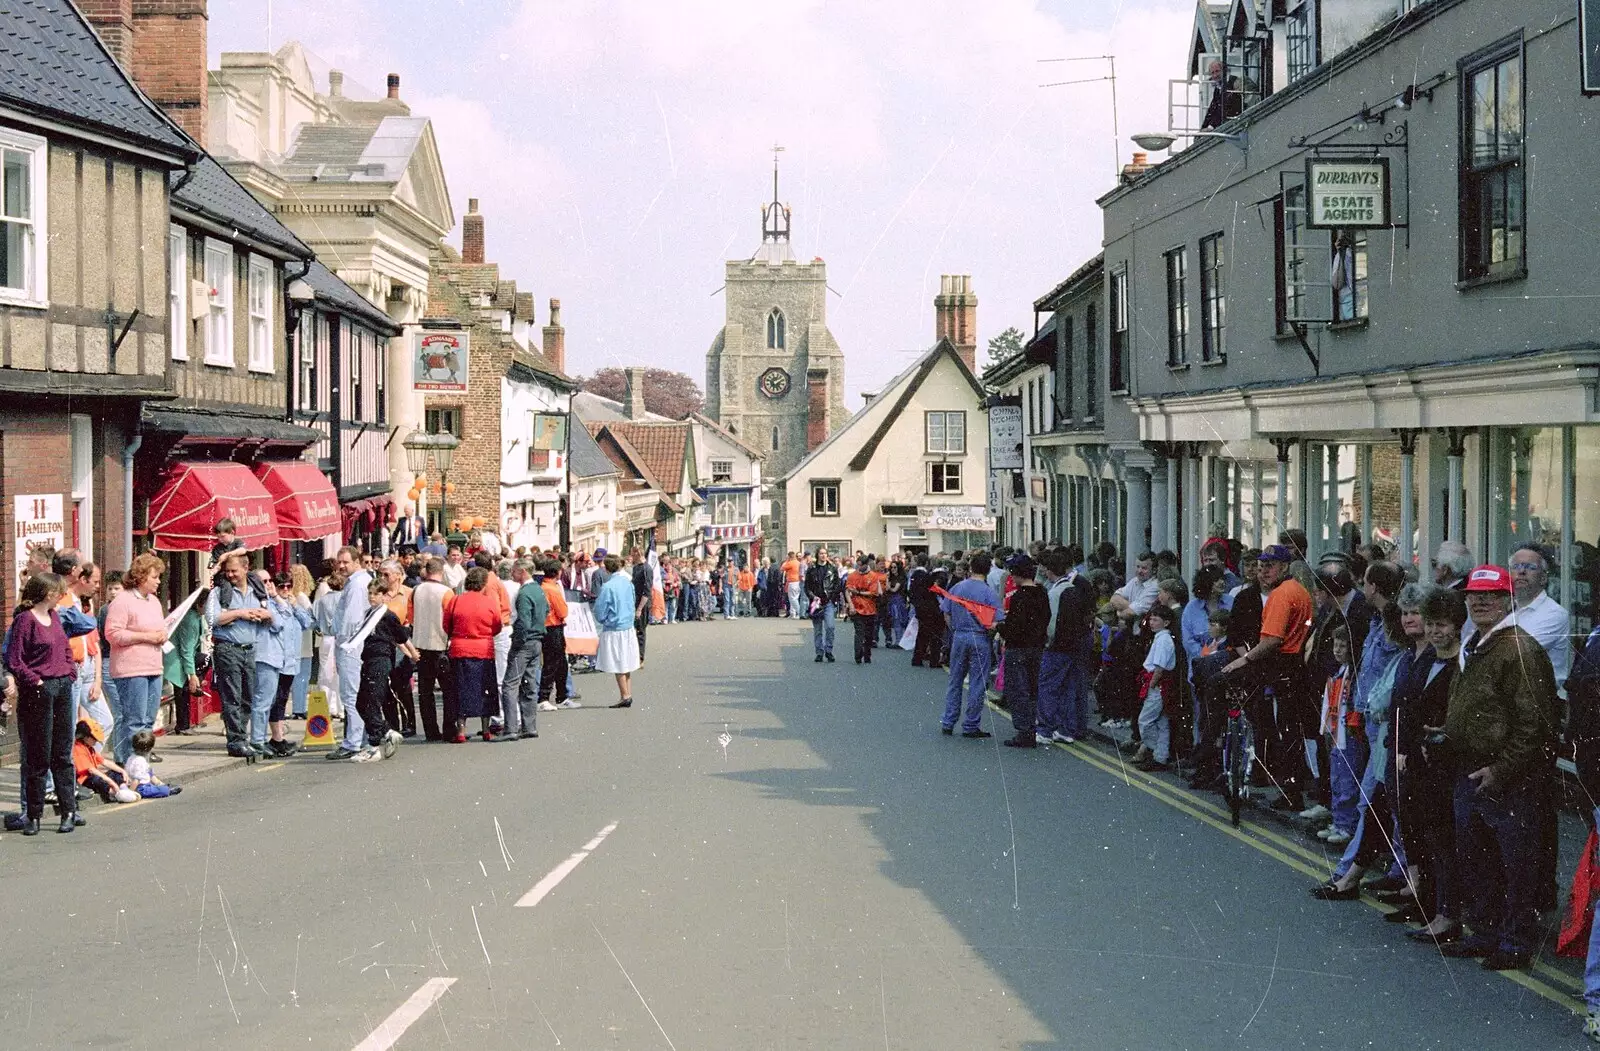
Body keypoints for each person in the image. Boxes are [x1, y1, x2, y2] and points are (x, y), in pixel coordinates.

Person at [1438, 564, 1557, 971]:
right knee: (1479, 860)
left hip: (1506, 777)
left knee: (1515, 863)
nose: (1479, 602)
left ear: (1508, 599)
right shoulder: (1481, 642)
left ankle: (1514, 941)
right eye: (1473, 595)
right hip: (1471, 769)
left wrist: (1501, 770)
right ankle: (1487, 934)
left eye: (1489, 596)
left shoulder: (1519, 648)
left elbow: (1535, 724)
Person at [1220, 544, 1314, 811]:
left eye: (1270, 566)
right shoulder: (1298, 591)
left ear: (1284, 567)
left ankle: (1288, 792)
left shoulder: (1281, 595)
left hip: (1281, 665)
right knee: (1287, 730)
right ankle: (1288, 789)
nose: (1264, 572)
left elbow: (1272, 639)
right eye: (1261, 567)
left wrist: (1244, 659)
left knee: (1283, 729)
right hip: (1294, 666)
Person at [1395, 586, 1465, 939]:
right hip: (1419, 763)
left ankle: (1446, 914)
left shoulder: (1459, 664)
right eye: (1432, 624)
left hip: (1445, 766)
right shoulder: (1426, 659)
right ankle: (1429, 906)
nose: (1437, 631)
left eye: (1444, 625)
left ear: (1457, 627)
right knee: (1424, 836)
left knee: (1443, 841)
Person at [7, 573, 84, 835]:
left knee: (62, 752)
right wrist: (36, 681)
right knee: (38, 754)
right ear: (48, 593)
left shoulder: (55, 618)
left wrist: (70, 673)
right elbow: (15, 660)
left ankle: (69, 811)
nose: (61, 596)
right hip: (38, 691)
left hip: (62, 686)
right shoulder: (24, 620)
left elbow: (65, 648)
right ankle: (34, 814)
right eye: (58, 592)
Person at [206, 552, 276, 760]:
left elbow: (270, 614)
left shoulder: (257, 591)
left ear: (246, 569)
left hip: (250, 648)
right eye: (227, 571)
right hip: (228, 648)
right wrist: (240, 613)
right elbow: (212, 618)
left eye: (234, 571)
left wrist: (264, 616)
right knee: (232, 697)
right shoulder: (219, 592)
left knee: (247, 696)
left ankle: (241, 737)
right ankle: (235, 741)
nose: (230, 575)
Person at [103, 553, 168, 765]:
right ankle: (125, 764)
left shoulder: (155, 602)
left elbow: (160, 627)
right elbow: (113, 634)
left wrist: (163, 634)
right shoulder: (123, 601)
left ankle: (142, 766)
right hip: (131, 669)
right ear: (141, 577)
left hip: (153, 667)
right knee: (134, 721)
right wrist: (147, 637)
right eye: (155, 576)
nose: (158, 581)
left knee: (148, 721)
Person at [350, 579, 414, 762]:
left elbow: (401, 636)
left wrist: (411, 652)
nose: (372, 597)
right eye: (370, 593)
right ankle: (386, 731)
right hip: (368, 660)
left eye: (376, 593)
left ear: (385, 596)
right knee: (361, 703)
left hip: (380, 660)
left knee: (371, 702)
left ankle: (374, 745)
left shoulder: (387, 615)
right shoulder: (369, 614)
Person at [940, 553, 1002, 739]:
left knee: (955, 680)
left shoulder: (958, 587)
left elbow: (946, 612)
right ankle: (971, 724)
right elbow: (996, 621)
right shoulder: (989, 592)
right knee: (977, 682)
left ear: (970, 568)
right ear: (988, 570)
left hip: (959, 636)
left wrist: (955, 630)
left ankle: (948, 721)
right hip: (980, 638)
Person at [1038, 550, 1096, 744]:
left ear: (1049, 571)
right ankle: (1067, 730)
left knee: (1048, 687)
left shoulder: (1055, 592)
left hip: (1057, 648)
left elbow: (1051, 623)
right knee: (1069, 688)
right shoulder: (1073, 589)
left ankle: (1045, 730)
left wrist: (1046, 642)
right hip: (1074, 645)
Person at [257, 572, 312, 757]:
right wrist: (277, 599)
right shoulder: (271, 603)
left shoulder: (292, 604)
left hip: (292, 659)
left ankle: (278, 737)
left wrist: (295, 604)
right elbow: (276, 625)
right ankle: (275, 737)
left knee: (281, 699)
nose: (286, 590)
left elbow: (307, 622)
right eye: (282, 587)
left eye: (289, 586)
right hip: (277, 659)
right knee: (272, 699)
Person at [446, 567, 504, 742]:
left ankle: (461, 731)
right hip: (483, 648)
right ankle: (485, 729)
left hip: (460, 648)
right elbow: (497, 625)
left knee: (461, 690)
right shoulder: (490, 602)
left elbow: (446, 624)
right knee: (485, 690)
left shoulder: (455, 601)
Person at [999, 554, 1051, 748]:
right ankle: (1032, 726)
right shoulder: (1042, 592)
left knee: (1018, 689)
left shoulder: (1019, 596)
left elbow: (1014, 627)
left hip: (1018, 648)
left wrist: (999, 627)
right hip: (1037, 647)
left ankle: (1024, 731)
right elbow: (1046, 617)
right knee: (1032, 689)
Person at [328, 547, 373, 761]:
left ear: (357, 561)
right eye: (339, 562)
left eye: (346, 562)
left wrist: (342, 645)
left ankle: (353, 742)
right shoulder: (359, 582)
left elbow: (351, 621)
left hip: (351, 645)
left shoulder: (356, 585)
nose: (342, 566)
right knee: (355, 693)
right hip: (355, 645)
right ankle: (360, 739)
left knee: (350, 694)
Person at [409, 558, 457, 741]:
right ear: (441, 571)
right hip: (441, 645)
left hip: (421, 645)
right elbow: (451, 619)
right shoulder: (447, 592)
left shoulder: (416, 591)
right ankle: (449, 729)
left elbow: (411, 618)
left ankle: (431, 731)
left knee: (425, 691)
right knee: (448, 690)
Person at [498, 559, 547, 740]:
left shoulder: (524, 593)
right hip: (537, 641)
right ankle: (529, 726)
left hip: (525, 643)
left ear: (523, 571)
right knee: (530, 684)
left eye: (515, 571)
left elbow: (524, 621)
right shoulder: (538, 590)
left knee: (510, 684)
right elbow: (545, 611)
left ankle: (510, 728)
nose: (512, 574)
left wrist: (517, 642)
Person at [593, 554, 641, 708]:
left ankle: (625, 695)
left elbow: (600, 610)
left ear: (606, 568)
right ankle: (627, 692)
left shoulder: (608, 586)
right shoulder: (628, 583)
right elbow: (633, 600)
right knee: (626, 661)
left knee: (618, 661)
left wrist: (604, 619)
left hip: (614, 627)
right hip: (628, 625)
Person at [379, 560, 418, 737]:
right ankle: (392, 724)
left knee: (403, 686)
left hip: (405, 644)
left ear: (397, 576)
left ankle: (409, 722)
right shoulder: (378, 595)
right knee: (387, 688)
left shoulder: (409, 593)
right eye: (380, 574)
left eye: (386, 574)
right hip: (386, 644)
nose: (382, 578)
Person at [537, 561, 578, 710]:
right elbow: (563, 611)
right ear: (557, 572)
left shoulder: (544, 586)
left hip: (550, 627)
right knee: (552, 663)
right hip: (553, 627)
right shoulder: (552, 589)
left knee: (560, 663)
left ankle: (561, 696)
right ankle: (544, 697)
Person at [162, 593, 204, 737]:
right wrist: (192, 674)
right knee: (182, 689)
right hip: (175, 658)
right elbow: (186, 649)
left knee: (205, 659)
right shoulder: (191, 620)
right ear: (200, 605)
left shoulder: (196, 616)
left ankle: (184, 723)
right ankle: (183, 725)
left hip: (181, 657)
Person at [72, 720, 140, 803]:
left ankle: (124, 789)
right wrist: (111, 782)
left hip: (93, 775)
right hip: (85, 780)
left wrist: (122, 771)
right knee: (97, 779)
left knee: (115, 773)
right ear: (86, 737)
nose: (96, 741)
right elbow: (91, 770)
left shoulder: (89, 747)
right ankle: (115, 793)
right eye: (94, 738)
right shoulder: (77, 748)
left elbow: (104, 762)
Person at [844, 555, 884, 665]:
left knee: (869, 634)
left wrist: (858, 592)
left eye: (861, 565)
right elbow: (848, 591)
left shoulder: (873, 576)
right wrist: (851, 605)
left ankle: (867, 655)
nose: (859, 567)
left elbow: (873, 592)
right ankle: (858, 655)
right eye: (858, 565)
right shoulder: (852, 575)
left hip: (870, 609)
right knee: (859, 632)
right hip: (856, 608)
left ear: (866, 564)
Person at [805, 550, 843, 662]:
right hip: (816, 603)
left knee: (830, 627)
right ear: (817, 555)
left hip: (828, 602)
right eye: (821, 553)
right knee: (818, 630)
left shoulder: (832, 569)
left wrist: (832, 597)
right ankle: (819, 652)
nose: (823, 555)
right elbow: (807, 587)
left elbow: (837, 585)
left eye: (825, 553)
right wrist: (813, 596)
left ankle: (829, 651)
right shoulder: (812, 570)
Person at [126, 730, 182, 796]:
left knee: (149, 771)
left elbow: (149, 774)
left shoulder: (131, 757)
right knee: (162, 791)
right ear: (150, 749)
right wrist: (130, 793)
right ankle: (166, 789)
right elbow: (136, 779)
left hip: (138, 784)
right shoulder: (140, 762)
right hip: (141, 787)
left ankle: (160, 784)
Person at [631, 549, 652, 660]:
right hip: (634, 601)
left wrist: (639, 609)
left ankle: (640, 657)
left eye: (632, 554)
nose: (631, 557)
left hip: (642, 604)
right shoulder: (635, 568)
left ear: (638, 554)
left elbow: (647, 590)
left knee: (640, 631)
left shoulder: (646, 569)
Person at [781, 551, 803, 618]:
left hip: (792, 581)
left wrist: (787, 561)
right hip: (798, 581)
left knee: (792, 599)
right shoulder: (798, 563)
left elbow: (782, 568)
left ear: (789, 557)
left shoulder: (790, 563)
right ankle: (792, 613)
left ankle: (799, 612)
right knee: (795, 598)